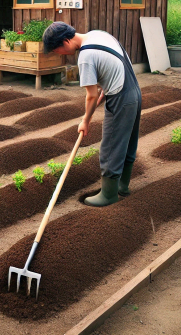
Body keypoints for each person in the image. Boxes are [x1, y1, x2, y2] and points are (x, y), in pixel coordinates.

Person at [43, 22, 141, 207]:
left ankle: (109, 195)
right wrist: (104, 93)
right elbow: (112, 69)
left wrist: (85, 121)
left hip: (120, 98)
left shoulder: (86, 57)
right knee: (127, 142)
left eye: (58, 51)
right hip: (134, 92)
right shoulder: (98, 34)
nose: (60, 55)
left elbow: (91, 95)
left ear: (66, 41)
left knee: (111, 146)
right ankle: (122, 186)